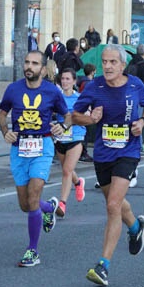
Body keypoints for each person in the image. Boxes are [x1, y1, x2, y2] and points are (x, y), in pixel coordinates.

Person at [72, 44, 144, 286]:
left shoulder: (135, 84)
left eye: (112, 62)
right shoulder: (94, 86)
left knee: (112, 205)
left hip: (128, 151)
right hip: (103, 153)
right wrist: (90, 119)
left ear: (122, 65)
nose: (107, 66)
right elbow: (75, 115)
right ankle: (136, 226)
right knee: (114, 202)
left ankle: (103, 265)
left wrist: (142, 120)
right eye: (104, 62)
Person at [0, 51, 70, 267]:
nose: (29, 66)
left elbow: (66, 115)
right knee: (26, 204)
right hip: (19, 148)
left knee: (33, 195)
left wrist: (62, 126)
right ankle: (48, 208)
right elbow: (2, 113)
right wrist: (5, 132)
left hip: (42, 146)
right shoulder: (13, 89)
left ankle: (33, 251)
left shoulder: (51, 91)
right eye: (27, 62)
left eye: (35, 63)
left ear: (43, 69)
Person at [53, 69, 88, 218]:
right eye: (63, 79)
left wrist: (83, 115)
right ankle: (78, 182)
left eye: (68, 79)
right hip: (61, 138)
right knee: (67, 169)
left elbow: (87, 115)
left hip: (76, 137)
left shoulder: (79, 98)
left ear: (74, 81)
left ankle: (62, 203)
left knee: (67, 170)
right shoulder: (56, 98)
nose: (65, 82)